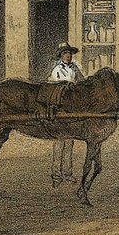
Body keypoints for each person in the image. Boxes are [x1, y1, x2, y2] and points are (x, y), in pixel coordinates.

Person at [47, 43, 84, 186]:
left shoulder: (75, 68)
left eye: (69, 53)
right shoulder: (57, 69)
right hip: (60, 108)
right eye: (65, 53)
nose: (68, 56)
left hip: (72, 108)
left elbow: (82, 83)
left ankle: (67, 173)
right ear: (61, 56)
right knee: (59, 143)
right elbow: (53, 88)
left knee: (69, 142)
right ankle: (56, 175)